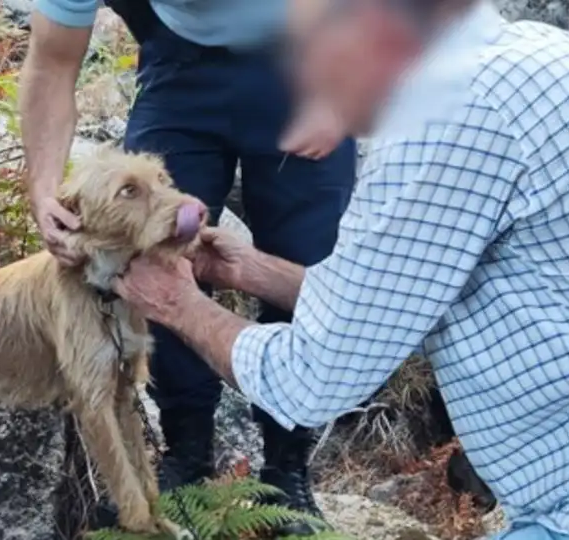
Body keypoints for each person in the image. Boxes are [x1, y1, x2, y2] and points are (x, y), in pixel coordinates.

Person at [111, 0, 569, 539]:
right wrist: (251, 269)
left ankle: (282, 468)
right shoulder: (537, 61)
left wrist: (177, 303)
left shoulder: (446, 113)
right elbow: (386, 307)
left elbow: (312, 377)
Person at [19, 0, 357, 534]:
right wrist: (42, 190)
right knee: (148, 251)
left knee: (302, 259)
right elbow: (52, 62)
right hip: (179, 70)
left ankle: (286, 472)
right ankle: (187, 456)